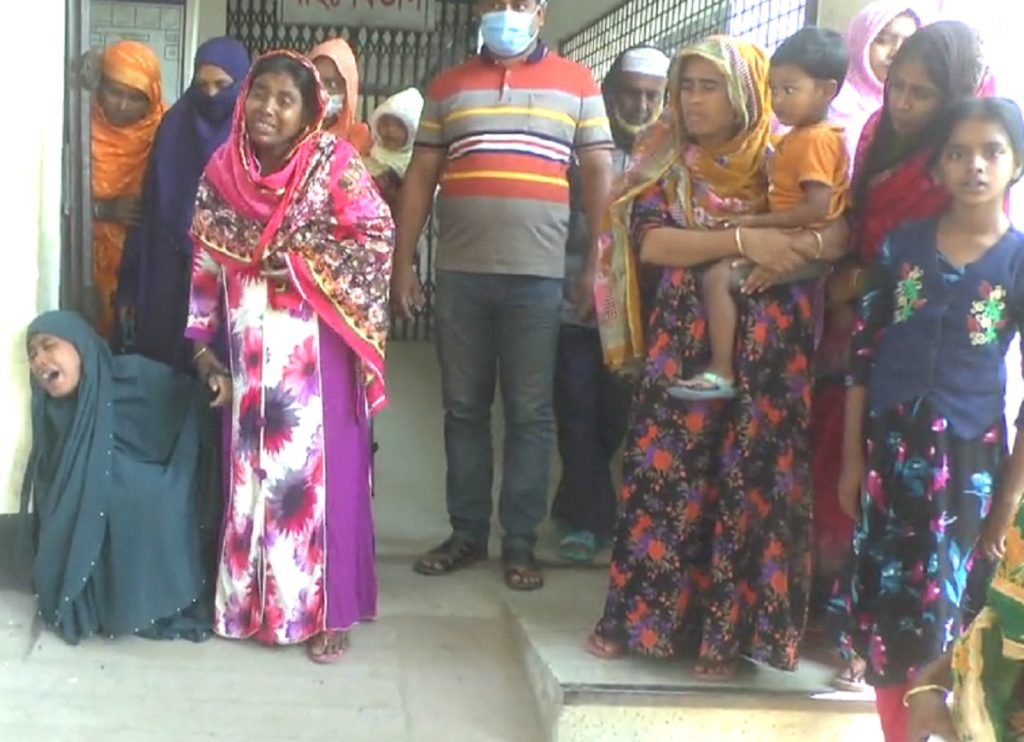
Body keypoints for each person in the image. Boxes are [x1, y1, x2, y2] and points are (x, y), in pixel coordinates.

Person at [587, 35, 849, 679]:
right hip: (685, 349)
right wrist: (742, 240)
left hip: (771, 353)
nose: (693, 100)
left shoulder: (785, 157)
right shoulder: (664, 159)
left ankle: (725, 640)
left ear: (746, 96)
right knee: (666, 474)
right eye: (687, 86)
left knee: (747, 485)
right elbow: (653, 244)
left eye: (711, 87)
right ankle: (638, 621)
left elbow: (839, 229)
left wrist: (799, 248)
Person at [393, 0, 614, 591]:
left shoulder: (578, 83)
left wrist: (598, 265)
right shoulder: (448, 86)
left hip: (538, 280)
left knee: (529, 414)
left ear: (541, 12)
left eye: (520, 3)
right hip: (460, 276)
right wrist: (403, 262)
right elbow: (421, 176)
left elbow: (598, 174)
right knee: (463, 409)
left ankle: (519, 542)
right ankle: (467, 533)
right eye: (496, 3)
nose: (507, 12)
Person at [186, 51, 394, 662]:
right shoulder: (222, 170)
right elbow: (205, 260)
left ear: (309, 113)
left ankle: (330, 611)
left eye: (285, 100)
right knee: (252, 473)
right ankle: (249, 605)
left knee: (313, 482)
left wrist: (303, 267)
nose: (268, 110)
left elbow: (376, 238)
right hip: (248, 350)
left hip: (316, 354)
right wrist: (200, 348)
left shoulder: (335, 165)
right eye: (260, 94)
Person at [830, 95, 1024, 742]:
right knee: (889, 610)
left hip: (969, 463)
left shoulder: (1018, 260)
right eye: (958, 153)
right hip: (890, 452)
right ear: (937, 166)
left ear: (1016, 163)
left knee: (950, 612)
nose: (975, 165)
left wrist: (1005, 503)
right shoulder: (903, 246)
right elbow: (862, 355)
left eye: (992, 151)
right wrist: (852, 461)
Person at [815, 21, 988, 664]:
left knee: (896, 484)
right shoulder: (871, 134)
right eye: (898, 87)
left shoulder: (959, 160)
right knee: (835, 462)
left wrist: (868, 283)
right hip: (849, 325)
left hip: (919, 336)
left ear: (954, 96)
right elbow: (853, 219)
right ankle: (825, 608)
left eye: (924, 93)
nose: (905, 104)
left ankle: (875, 633)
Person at [671, 26, 850, 401]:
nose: (778, 101)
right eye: (773, 89)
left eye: (789, 90)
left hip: (801, 246)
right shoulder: (789, 139)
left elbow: (816, 208)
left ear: (826, 91)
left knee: (719, 277)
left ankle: (721, 369)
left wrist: (756, 223)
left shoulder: (816, 140)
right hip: (791, 241)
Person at [19, 311, 213, 644]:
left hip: (155, 488)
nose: (39, 360)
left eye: (49, 346)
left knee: (137, 491)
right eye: (32, 354)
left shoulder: (127, 377)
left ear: (81, 347)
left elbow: (189, 400)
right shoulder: (52, 414)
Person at [551, 45, 670, 565]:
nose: (640, 106)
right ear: (609, 92)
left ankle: (576, 504)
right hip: (575, 302)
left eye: (651, 97)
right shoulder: (576, 150)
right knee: (575, 407)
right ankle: (590, 521)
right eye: (630, 93)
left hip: (636, 312)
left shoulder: (671, 156)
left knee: (612, 418)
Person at [117, 37, 250, 371]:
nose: (211, 95)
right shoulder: (174, 126)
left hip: (227, 273)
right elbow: (148, 206)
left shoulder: (251, 136)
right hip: (166, 270)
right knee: (164, 368)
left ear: (242, 84)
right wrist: (128, 285)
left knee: (220, 371)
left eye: (222, 85)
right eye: (202, 85)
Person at [91, 40, 165, 342]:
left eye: (135, 97)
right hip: (85, 264)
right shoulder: (77, 128)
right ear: (99, 88)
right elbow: (48, 195)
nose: (122, 106)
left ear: (153, 96)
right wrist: (103, 210)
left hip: (147, 264)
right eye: (114, 92)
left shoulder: (169, 131)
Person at [829, 1, 924, 163]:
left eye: (908, 44)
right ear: (859, 42)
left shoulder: (918, 104)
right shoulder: (830, 100)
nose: (896, 53)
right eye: (883, 40)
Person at [309, 38, 372, 155]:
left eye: (331, 84)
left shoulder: (360, 139)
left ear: (347, 90)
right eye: (314, 80)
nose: (320, 90)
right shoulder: (289, 134)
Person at [365, 87, 425, 211]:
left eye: (399, 126)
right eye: (385, 124)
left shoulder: (417, 164)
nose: (390, 131)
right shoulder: (368, 150)